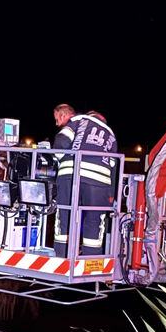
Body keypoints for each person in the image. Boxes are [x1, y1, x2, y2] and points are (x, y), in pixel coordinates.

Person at [51, 104, 118, 257]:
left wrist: (57, 159)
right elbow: (113, 164)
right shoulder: (110, 134)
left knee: (65, 214)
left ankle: (62, 255)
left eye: (57, 120)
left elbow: (61, 142)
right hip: (99, 181)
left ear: (63, 116)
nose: (57, 124)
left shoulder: (77, 121)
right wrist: (110, 196)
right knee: (94, 219)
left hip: (71, 173)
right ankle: (91, 258)